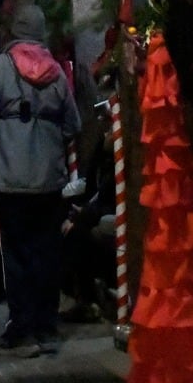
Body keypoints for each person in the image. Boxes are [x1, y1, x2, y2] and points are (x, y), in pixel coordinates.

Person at [0, 2, 79, 358]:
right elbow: (73, 125)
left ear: (13, 30)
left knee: (16, 254)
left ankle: (22, 330)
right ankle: (47, 328)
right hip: (48, 179)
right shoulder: (57, 73)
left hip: (9, 178)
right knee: (47, 252)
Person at [60, 103, 117, 321]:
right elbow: (89, 185)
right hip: (92, 208)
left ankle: (85, 300)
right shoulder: (101, 154)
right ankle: (77, 295)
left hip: (104, 213)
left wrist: (81, 217)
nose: (106, 133)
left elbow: (108, 199)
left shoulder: (119, 164)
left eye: (110, 129)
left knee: (76, 235)